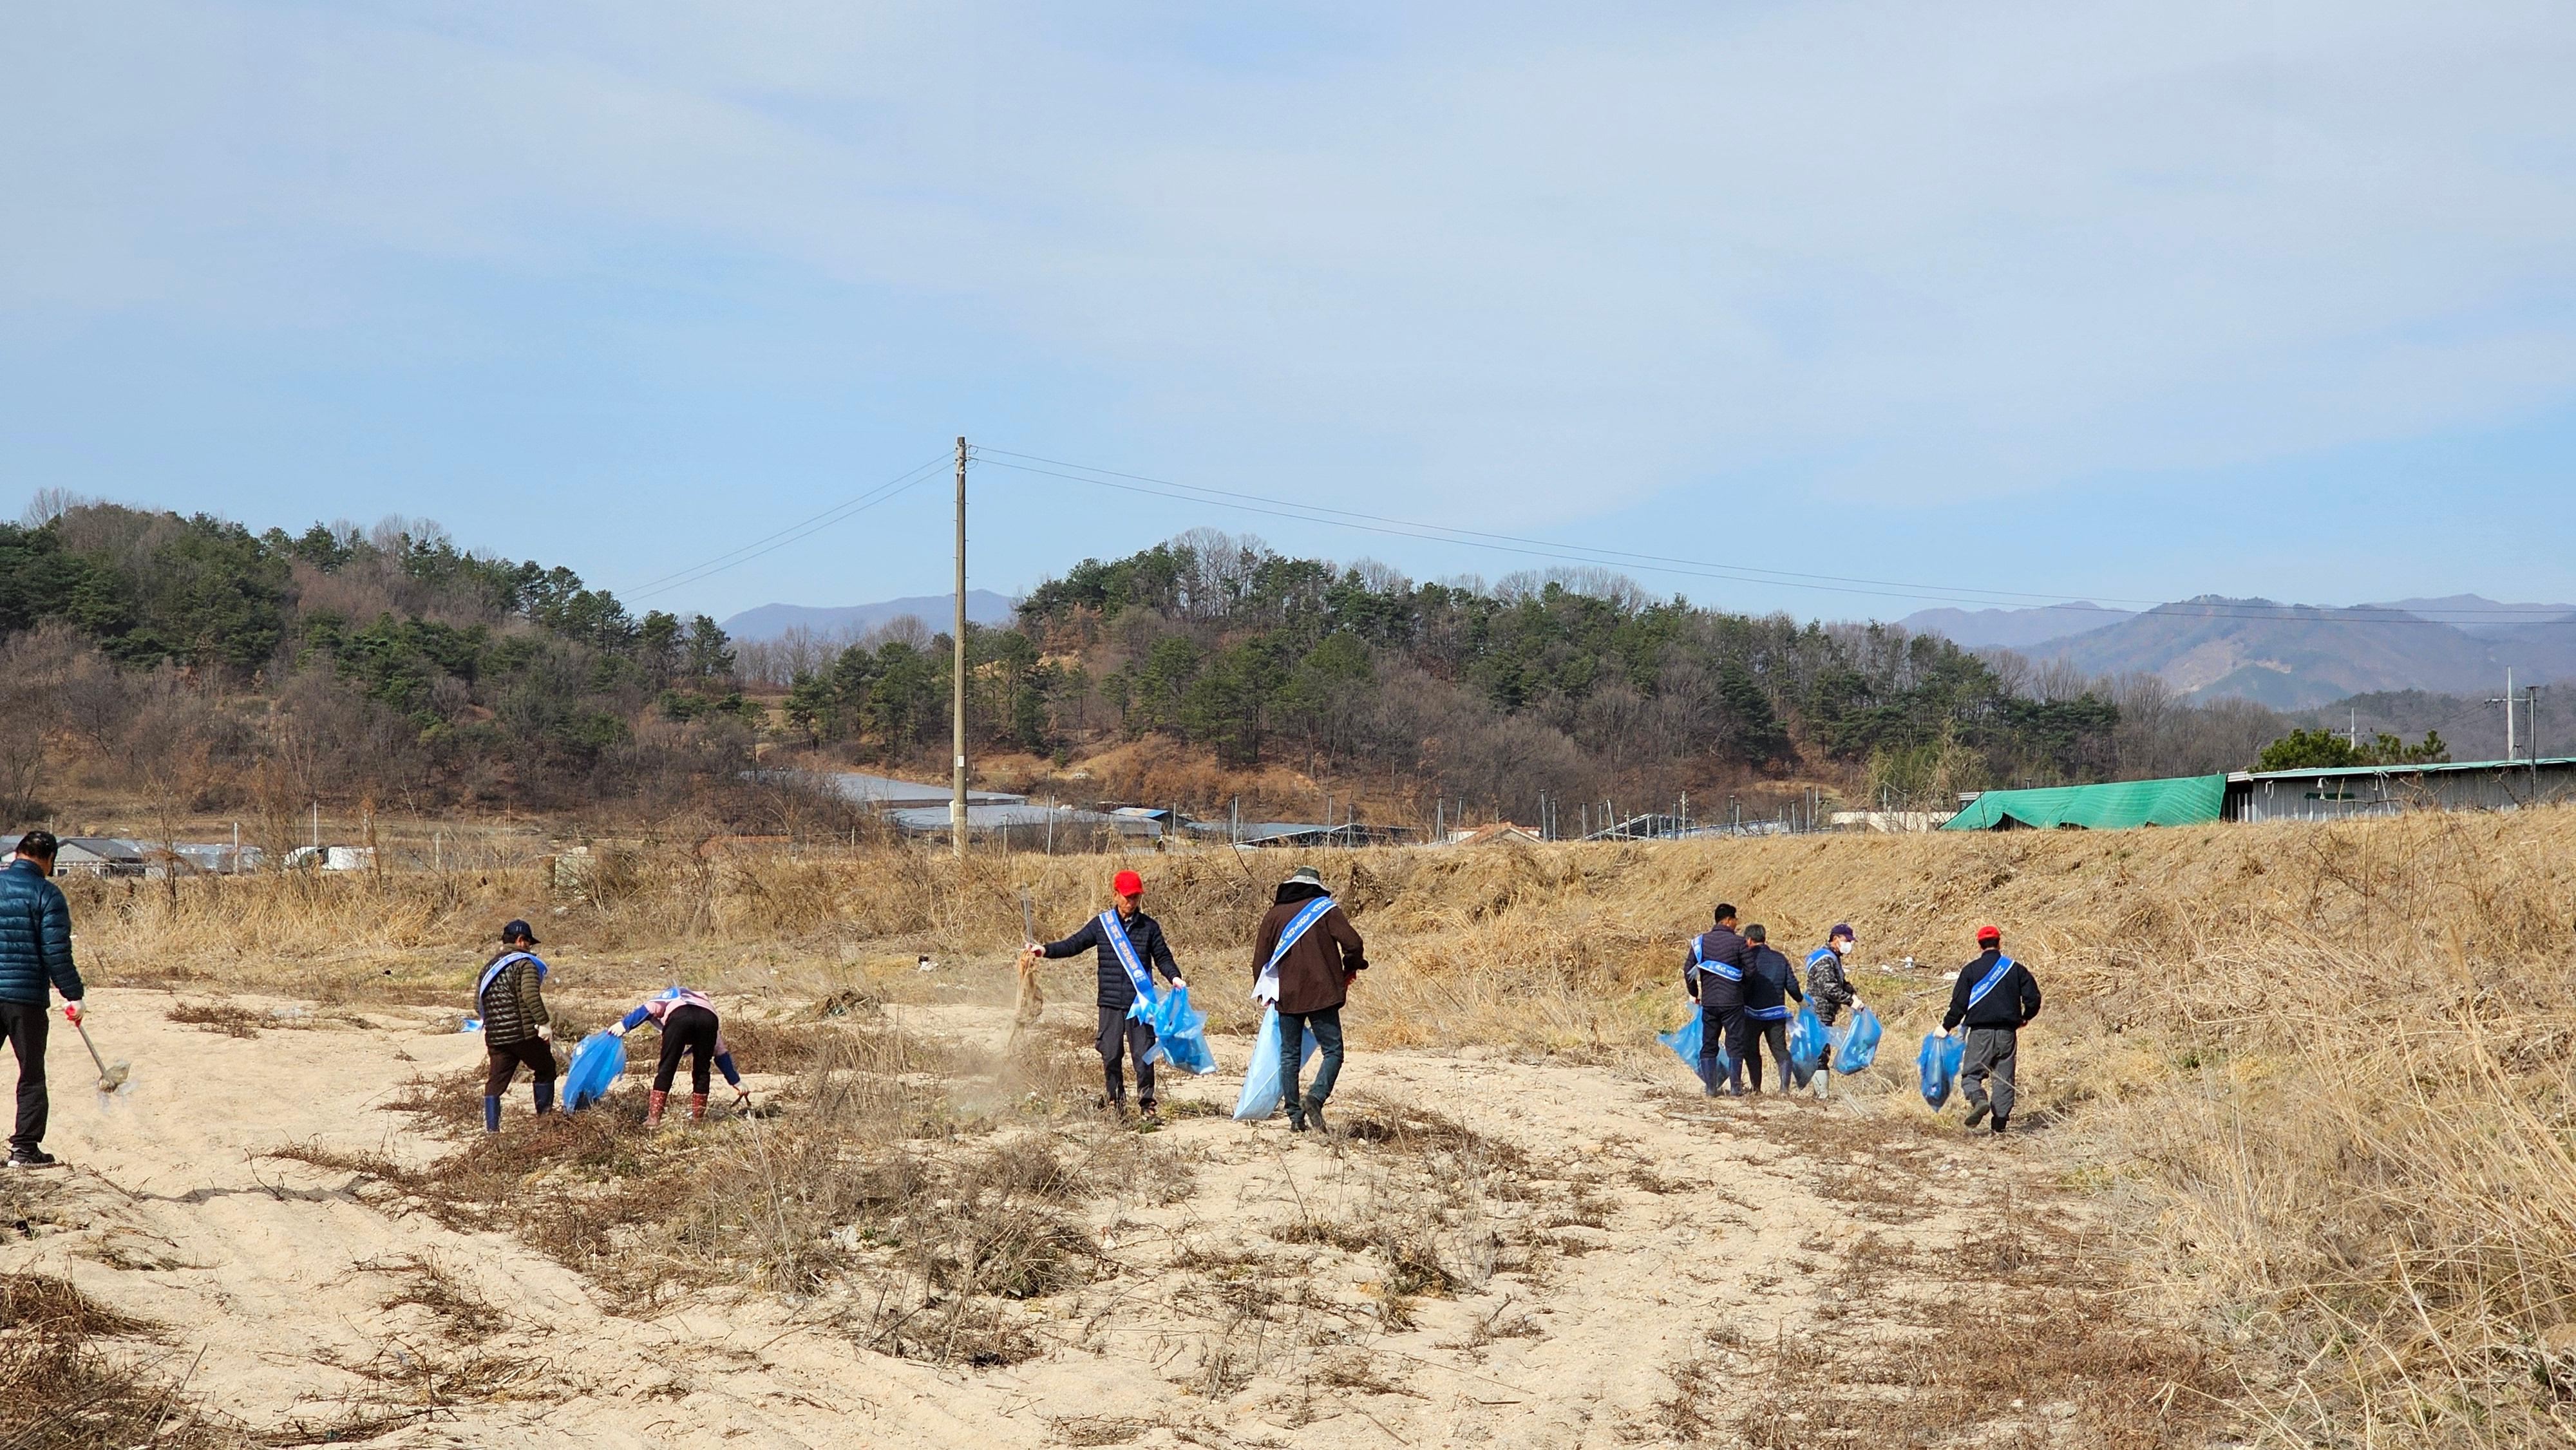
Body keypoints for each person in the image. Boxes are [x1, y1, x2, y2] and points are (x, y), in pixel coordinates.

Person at [1025, 869, 1187, 1119]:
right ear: (1115, 895)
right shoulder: (1102, 925)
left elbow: (1163, 957)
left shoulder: (1150, 927)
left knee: (1143, 1055)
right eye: (1127, 897)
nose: (1131, 902)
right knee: (1110, 1054)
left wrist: (1174, 976)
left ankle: (1147, 1105)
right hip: (1110, 1003)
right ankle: (1116, 1102)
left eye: (1136, 897)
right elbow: (1073, 944)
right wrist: (1044, 950)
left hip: (1140, 1004)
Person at [1251, 865, 1367, 1133]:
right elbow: (1354, 943)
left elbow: (1260, 960)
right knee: (1333, 1051)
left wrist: (1265, 991)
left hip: (1287, 995)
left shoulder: (1274, 915)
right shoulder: (1326, 909)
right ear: (1317, 887)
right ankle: (1315, 1098)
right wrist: (1351, 965)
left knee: (1289, 1055)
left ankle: (1294, 1117)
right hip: (1322, 993)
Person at [0, 832, 85, 1169]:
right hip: (25, 1000)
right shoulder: (47, 893)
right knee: (31, 1073)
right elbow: (55, 952)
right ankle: (24, 1150)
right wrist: (73, 994)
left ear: (18, 853)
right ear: (49, 859)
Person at [1939, 925, 2043, 1135]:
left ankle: (1979, 1100)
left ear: (1979, 945)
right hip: (2007, 1034)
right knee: (2004, 1079)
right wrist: (2025, 1017)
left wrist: (1946, 1026)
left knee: (1971, 1075)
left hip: (1980, 1034)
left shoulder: (1970, 970)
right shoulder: (2015, 969)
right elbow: (2034, 999)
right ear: (1999, 943)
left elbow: (1959, 1005)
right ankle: (1999, 1127)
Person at [607, 986, 751, 1126]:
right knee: (702, 1070)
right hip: (709, 1021)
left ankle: (654, 1119)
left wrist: (624, 1025)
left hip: (679, 1018)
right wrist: (736, 1081)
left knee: (667, 1068)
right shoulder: (705, 1005)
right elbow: (720, 1052)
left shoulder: (672, 997)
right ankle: (697, 1120)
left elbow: (649, 1008)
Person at [477, 919, 556, 1133]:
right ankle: (545, 1124)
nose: (530, 948)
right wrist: (543, 1023)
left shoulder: (488, 968)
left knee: (495, 1082)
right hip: (523, 1034)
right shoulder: (525, 963)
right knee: (546, 1069)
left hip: (495, 1037)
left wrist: (497, 1024)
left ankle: (492, 1132)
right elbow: (531, 995)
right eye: (529, 943)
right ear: (521, 941)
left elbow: (478, 1003)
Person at [1683, 905, 1748, 1097]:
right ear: (1728, 920)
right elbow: (1751, 970)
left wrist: (1695, 993)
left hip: (1710, 1002)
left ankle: (1711, 1089)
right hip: (1733, 1003)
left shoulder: (1700, 942)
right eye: (1735, 919)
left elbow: (1688, 972)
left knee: (1709, 1043)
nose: (1737, 923)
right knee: (1735, 1043)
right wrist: (1741, 989)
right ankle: (1736, 1088)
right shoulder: (1739, 943)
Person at [1732, 925, 1806, 1095]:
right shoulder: (1780, 958)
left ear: (1749, 940)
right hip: (1776, 1013)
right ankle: (1784, 1089)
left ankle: (1756, 1089)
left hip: (1751, 1013)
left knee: (1751, 1051)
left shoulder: (1745, 958)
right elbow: (1792, 985)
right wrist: (1801, 1001)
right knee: (1780, 1050)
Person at [1803, 924, 1864, 1098]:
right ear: (1836, 939)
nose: (1849, 945)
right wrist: (1850, 1000)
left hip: (1825, 1011)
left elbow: (1839, 983)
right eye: (1847, 940)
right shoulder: (1825, 959)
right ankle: (1821, 1094)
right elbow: (1829, 988)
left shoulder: (1833, 958)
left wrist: (1852, 992)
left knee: (1821, 1050)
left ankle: (1820, 1093)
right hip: (1819, 1011)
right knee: (1820, 1052)